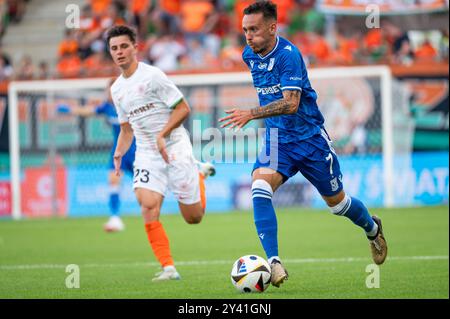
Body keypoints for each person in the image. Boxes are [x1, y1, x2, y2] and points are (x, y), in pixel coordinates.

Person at [219, 1, 387, 288]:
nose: (248, 36)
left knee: (338, 204)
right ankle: (273, 262)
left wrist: (251, 113)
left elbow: (292, 103)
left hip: (310, 140)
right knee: (259, 187)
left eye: (254, 29)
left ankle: (372, 228)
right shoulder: (250, 54)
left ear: (273, 27)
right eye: (245, 29)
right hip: (277, 140)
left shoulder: (289, 56)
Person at [106, 25, 215, 281]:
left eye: (124, 46)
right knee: (148, 204)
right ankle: (168, 267)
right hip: (147, 152)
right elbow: (126, 128)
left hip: (175, 146)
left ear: (136, 47)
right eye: (114, 48)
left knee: (193, 218)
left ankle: (199, 175)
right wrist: (119, 151)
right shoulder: (117, 89)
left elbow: (183, 108)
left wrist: (162, 135)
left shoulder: (153, 76)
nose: (119, 52)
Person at [57, 78, 134, 232]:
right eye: (109, 91)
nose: (110, 94)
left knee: (144, 188)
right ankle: (114, 217)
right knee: (113, 181)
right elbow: (89, 111)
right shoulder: (107, 107)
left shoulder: (131, 106)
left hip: (135, 151)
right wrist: (70, 110)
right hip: (118, 152)